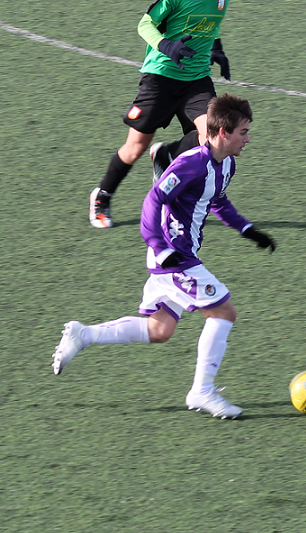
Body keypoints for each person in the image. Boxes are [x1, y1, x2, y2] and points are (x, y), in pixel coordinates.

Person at [55, 93, 275, 419]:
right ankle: (202, 391)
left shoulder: (226, 163)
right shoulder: (191, 163)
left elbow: (216, 201)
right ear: (222, 133)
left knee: (160, 330)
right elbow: (152, 200)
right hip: (174, 256)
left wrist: (247, 229)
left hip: (179, 253)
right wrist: (161, 247)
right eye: (243, 132)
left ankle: (82, 334)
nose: (247, 138)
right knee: (224, 312)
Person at [90, 0, 236, 228]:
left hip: (196, 78)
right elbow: (145, 24)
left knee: (214, 136)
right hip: (160, 77)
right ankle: (102, 196)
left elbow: (210, 22)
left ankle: (168, 154)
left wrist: (216, 47)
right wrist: (167, 46)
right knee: (135, 147)